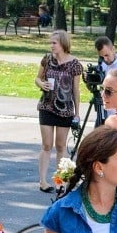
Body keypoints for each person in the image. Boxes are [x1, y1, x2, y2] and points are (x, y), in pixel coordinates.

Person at [37, 30, 83, 193]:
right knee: (47, 144)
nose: (51, 46)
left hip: (65, 110)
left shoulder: (74, 64)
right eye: (50, 43)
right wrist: (40, 84)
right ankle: (42, 181)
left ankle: (60, 181)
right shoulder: (47, 59)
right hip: (47, 106)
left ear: (63, 44)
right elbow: (38, 78)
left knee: (61, 146)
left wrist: (77, 113)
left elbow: (76, 90)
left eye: (54, 43)